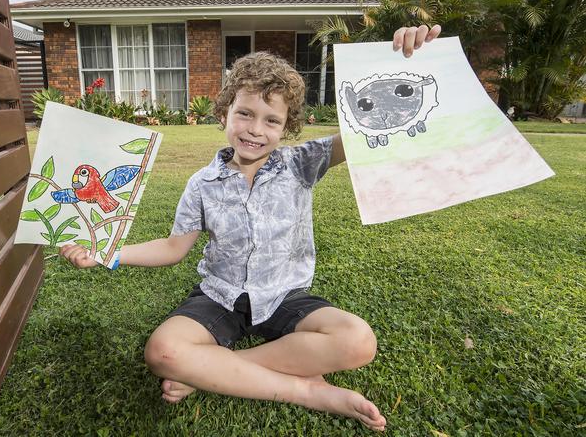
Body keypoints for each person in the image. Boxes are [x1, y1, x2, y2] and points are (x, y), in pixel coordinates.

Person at [60, 25, 442, 432]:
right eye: (244, 113)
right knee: (162, 352)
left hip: (284, 296)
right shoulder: (201, 184)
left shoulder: (301, 163)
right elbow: (173, 248)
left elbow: (362, 129)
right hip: (220, 297)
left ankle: (214, 372)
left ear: (286, 128)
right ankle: (306, 390)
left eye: (271, 120)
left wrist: (400, 61)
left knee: (359, 340)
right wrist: (106, 251)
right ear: (224, 113)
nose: (255, 130)